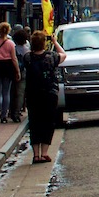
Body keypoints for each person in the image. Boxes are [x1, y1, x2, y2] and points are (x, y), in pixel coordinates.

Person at [23, 30, 66, 164]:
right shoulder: (51, 57)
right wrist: (54, 41)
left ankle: (36, 154)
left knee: (35, 122)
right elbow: (64, 55)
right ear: (44, 43)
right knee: (48, 122)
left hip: (32, 94)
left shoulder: (27, 58)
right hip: (49, 93)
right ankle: (45, 153)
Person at [0, 21, 20, 123]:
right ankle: (3, 115)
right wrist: (17, 71)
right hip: (8, 66)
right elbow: (14, 58)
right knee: (6, 92)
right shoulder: (11, 43)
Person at [10, 26, 30, 121]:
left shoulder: (13, 46)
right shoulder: (27, 47)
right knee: (20, 93)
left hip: (12, 70)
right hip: (23, 71)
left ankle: (11, 110)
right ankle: (16, 112)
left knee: (12, 91)